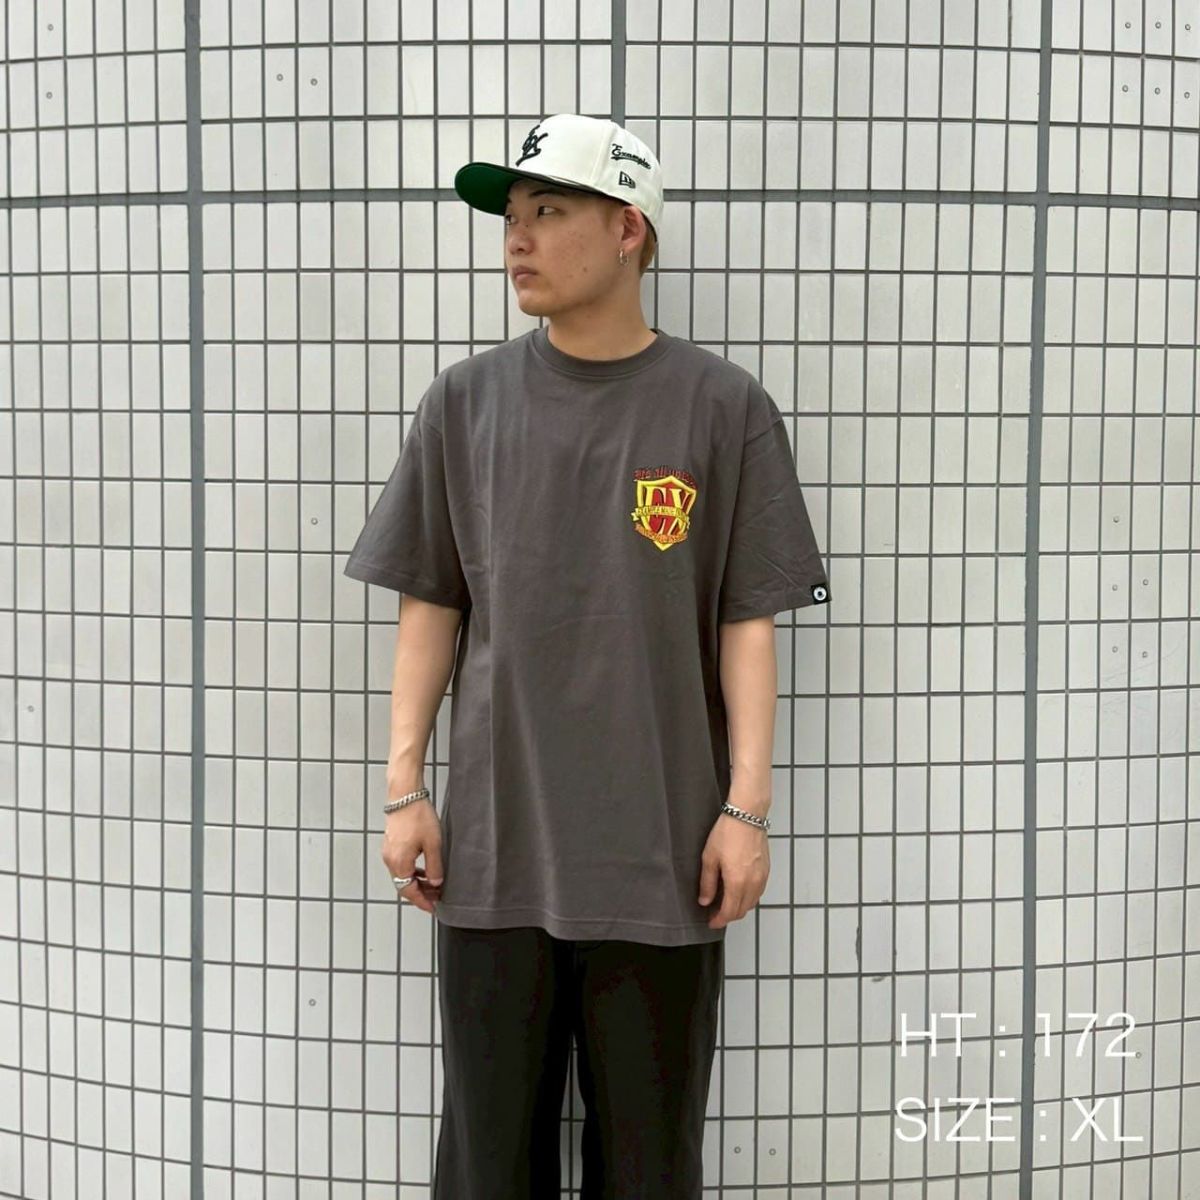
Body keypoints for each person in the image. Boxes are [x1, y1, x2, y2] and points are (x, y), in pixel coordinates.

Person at [343, 113, 831, 1199]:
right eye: (510, 217)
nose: (516, 238)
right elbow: (431, 603)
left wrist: (747, 811)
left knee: (649, 1164)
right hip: (493, 858)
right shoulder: (464, 404)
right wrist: (404, 791)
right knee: (487, 1165)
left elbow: (746, 621)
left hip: (663, 860)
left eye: (548, 211)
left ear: (628, 230)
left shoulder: (723, 408)